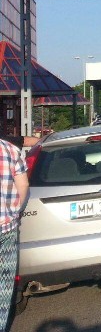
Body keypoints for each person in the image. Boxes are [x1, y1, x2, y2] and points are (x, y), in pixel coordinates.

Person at [0, 136, 29, 329]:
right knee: (3, 286)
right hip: (6, 228)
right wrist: (16, 211)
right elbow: (23, 185)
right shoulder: (9, 149)